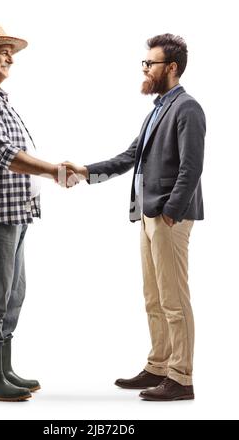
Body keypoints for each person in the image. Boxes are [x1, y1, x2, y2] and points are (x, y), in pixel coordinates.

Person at [63, 34, 206, 401]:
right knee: (153, 297)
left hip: (168, 217)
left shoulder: (188, 108)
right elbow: (129, 157)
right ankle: (159, 365)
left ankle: (182, 378)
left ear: (171, 68)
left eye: (150, 63)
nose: (144, 69)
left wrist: (171, 212)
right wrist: (84, 170)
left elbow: (191, 168)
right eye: (144, 63)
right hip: (146, 216)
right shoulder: (157, 109)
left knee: (174, 299)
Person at [0, 23, 76, 401]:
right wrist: (54, 170)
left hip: (14, 211)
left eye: (11, 51)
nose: (10, 57)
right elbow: (3, 152)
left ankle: (2, 368)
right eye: (2, 50)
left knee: (13, 293)